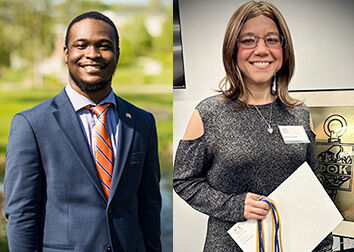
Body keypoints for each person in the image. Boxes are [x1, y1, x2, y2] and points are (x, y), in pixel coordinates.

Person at [173, 1, 332, 251]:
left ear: (284, 49)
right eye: (248, 40)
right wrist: (235, 206)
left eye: (271, 40)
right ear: (232, 50)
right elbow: (184, 181)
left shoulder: (300, 114)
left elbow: (313, 189)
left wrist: (323, 245)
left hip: (294, 244)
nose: (261, 50)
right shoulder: (208, 113)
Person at [5, 11, 161, 252]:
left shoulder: (142, 122)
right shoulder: (31, 125)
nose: (92, 54)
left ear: (117, 53)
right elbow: (21, 215)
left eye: (103, 46)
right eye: (81, 45)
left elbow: (149, 206)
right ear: (66, 54)